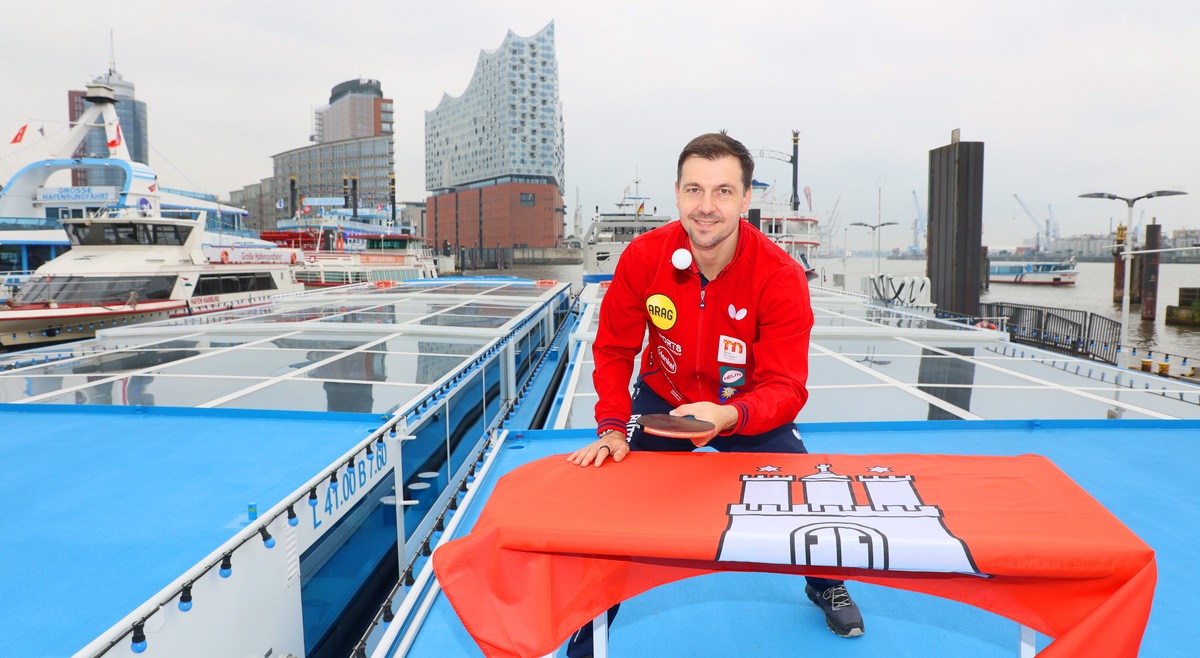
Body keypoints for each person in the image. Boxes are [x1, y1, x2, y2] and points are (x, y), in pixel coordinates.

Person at [565, 132, 864, 656]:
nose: (706, 208)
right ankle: (597, 615)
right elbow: (614, 349)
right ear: (676, 193)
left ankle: (823, 580)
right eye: (694, 191)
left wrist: (730, 415)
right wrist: (612, 426)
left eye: (723, 191)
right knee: (621, 500)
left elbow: (788, 385)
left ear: (746, 198)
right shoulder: (643, 257)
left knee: (802, 493)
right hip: (665, 404)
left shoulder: (780, 276)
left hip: (748, 408)